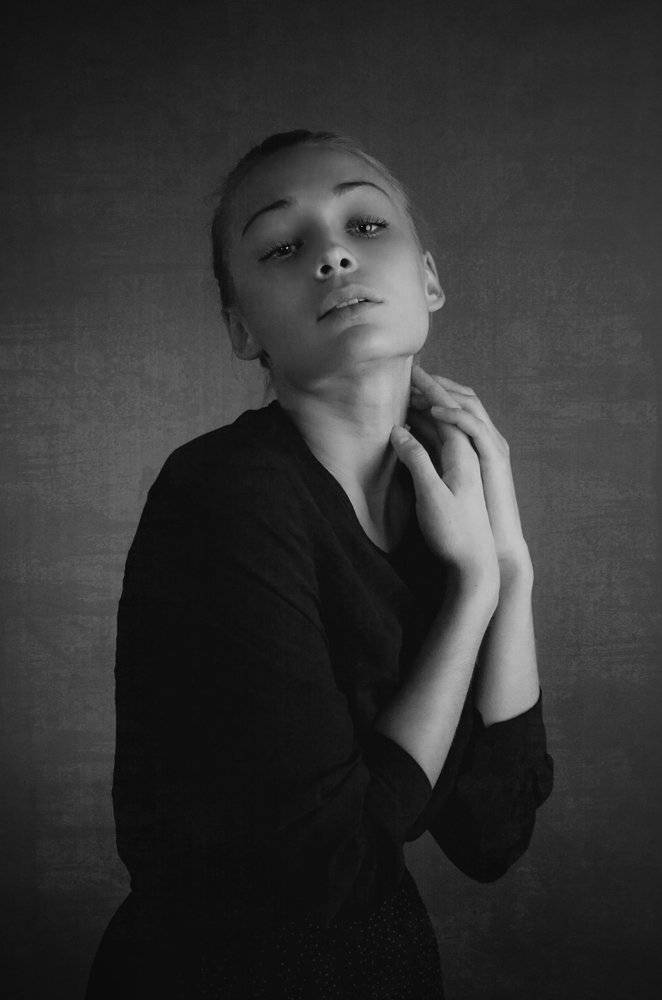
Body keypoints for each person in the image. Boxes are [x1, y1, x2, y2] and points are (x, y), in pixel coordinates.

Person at [85, 129, 554, 999]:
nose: (334, 256)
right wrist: (472, 596)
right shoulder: (224, 495)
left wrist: (509, 566)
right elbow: (322, 876)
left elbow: (493, 834)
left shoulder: (441, 500)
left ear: (430, 280)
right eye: (282, 247)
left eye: (366, 226)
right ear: (242, 329)